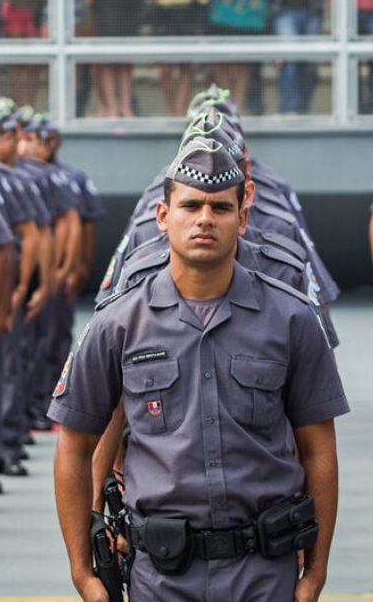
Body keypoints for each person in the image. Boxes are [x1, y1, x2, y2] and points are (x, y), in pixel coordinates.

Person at [50, 137, 348, 602]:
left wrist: (316, 571)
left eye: (220, 208)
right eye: (190, 205)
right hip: (161, 576)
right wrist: (81, 571)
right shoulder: (117, 323)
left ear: (242, 218)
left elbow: (318, 450)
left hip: (263, 572)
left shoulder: (291, 318)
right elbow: (73, 445)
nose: (205, 219)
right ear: (163, 217)